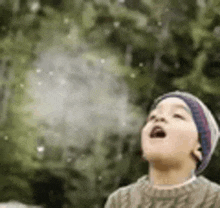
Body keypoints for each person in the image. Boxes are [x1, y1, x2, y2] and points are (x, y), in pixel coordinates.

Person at [104, 91, 220, 208]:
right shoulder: (119, 201)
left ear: (199, 147)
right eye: (152, 117)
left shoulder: (215, 199)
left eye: (177, 115)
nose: (159, 117)